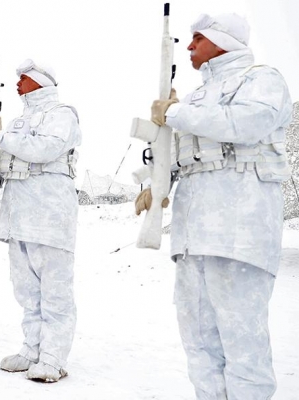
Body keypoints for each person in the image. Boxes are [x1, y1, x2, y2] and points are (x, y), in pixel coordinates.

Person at [146, 14, 293, 399]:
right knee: (199, 344)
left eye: (198, 38)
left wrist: (175, 114)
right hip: (192, 235)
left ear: (223, 41)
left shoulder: (260, 79)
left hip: (239, 233)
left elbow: (248, 122)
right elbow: (178, 152)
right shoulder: (193, 98)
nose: (190, 46)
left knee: (243, 346)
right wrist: (151, 181)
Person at [0, 60, 81, 382]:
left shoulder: (62, 113)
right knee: (26, 288)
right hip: (19, 210)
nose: (17, 84)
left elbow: (46, 148)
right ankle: (32, 348)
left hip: (50, 209)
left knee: (54, 289)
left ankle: (53, 356)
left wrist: (0, 140)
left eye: (22, 79)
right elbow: (4, 158)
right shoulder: (18, 120)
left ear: (38, 82)